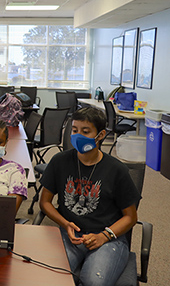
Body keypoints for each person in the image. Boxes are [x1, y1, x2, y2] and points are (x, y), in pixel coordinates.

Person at [39, 107, 140, 286]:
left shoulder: (117, 170)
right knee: (49, 277)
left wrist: (104, 236)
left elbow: (131, 217)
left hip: (108, 238)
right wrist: (65, 223)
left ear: (100, 135)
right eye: (75, 130)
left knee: (94, 282)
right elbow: (45, 203)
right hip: (69, 235)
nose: (78, 135)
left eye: (85, 132)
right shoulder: (60, 161)